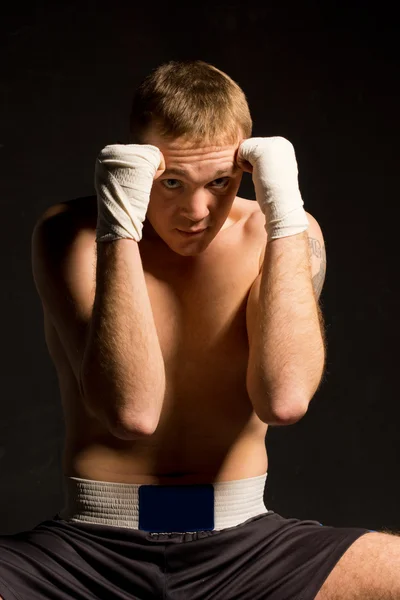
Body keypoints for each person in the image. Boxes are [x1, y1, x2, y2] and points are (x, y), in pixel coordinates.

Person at [0, 60, 399, 600]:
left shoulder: (274, 233)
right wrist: (119, 225)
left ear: (246, 166)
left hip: (250, 550)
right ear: (137, 164)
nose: (196, 210)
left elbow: (284, 399)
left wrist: (287, 217)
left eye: (219, 182)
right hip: (88, 552)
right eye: (171, 181)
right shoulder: (71, 234)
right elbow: (132, 412)